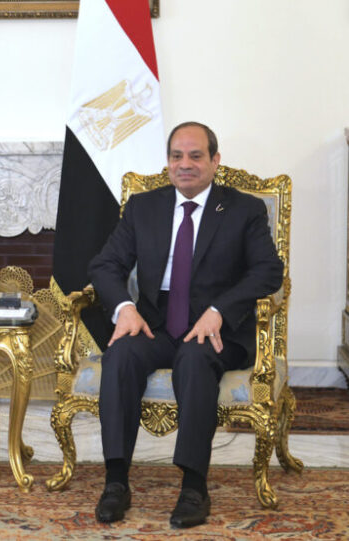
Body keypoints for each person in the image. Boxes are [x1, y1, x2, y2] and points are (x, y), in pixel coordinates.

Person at [88, 122, 283, 528]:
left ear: (215, 160)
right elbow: (106, 264)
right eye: (177, 156)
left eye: (196, 156)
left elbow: (268, 271)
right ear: (168, 162)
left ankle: (194, 486)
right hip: (156, 323)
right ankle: (116, 481)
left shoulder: (244, 209)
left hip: (217, 329)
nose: (185, 164)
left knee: (195, 359)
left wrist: (221, 310)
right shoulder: (144, 207)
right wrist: (125, 306)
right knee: (120, 353)